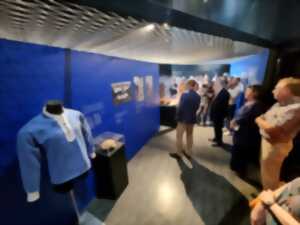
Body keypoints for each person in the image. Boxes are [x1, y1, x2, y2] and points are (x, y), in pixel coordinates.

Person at [256, 77, 300, 190]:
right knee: (267, 172)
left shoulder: (296, 108)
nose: (273, 91)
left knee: (270, 176)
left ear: (287, 90)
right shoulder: (279, 104)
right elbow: (265, 120)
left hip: (275, 146)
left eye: (277, 88)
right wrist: (263, 122)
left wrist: (258, 120)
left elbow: (273, 131)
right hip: (269, 143)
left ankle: (268, 201)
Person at [230, 85, 265, 175]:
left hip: (246, 135)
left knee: (242, 153)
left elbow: (252, 120)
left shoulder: (258, 106)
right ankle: (236, 168)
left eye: (248, 91)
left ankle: (241, 171)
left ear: (255, 93)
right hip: (239, 133)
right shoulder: (247, 103)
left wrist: (237, 121)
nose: (245, 92)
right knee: (237, 150)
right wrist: (234, 121)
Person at [173, 79, 200, 158]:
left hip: (182, 119)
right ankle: (189, 152)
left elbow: (180, 107)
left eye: (187, 85)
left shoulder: (184, 95)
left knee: (179, 136)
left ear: (189, 85)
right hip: (191, 118)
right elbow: (197, 107)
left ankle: (179, 153)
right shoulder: (198, 96)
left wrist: (177, 116)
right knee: (190, 135)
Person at [209, 77, 230, 147]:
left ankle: (219, 142)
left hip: (219, 114)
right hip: (216, 113)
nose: (214, 85)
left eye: (216, 83)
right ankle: (216, 138)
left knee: (218, 128)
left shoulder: (224, 93)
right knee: (216, 127)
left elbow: (222, 105)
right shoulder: (219, 91)